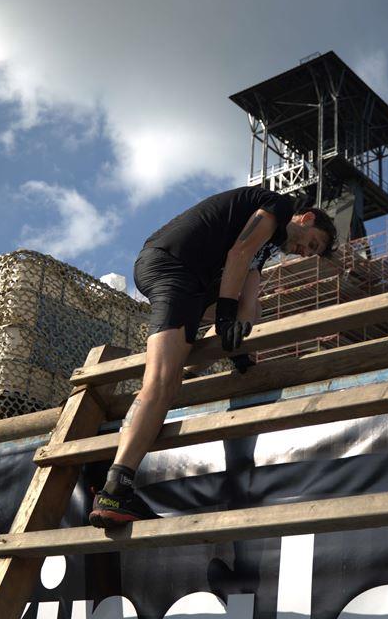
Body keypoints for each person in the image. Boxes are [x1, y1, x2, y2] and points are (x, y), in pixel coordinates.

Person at [88, 186, 337, 527]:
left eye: (311, 253)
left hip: (193, 280)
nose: (304, 253)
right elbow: (239, 252)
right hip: (175, 266)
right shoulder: (278, 206)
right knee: (162, 381)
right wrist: (225, 315)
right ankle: (116, 488)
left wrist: (241, 347)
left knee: (252, 312)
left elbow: (249, 302)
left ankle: (185, 375)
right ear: (306, 219)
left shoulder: (267, 247)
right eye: (312, 244)